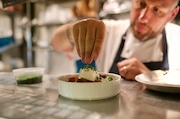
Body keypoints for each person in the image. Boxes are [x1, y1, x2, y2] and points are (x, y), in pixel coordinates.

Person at [51, 0, 180, 80]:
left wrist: (149, 77)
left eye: (157, 10)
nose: (142, 17)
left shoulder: (176, 37)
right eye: (141, 4)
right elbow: (55, 43)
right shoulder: (110, 30)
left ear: (172, 14)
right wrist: (73, 30)